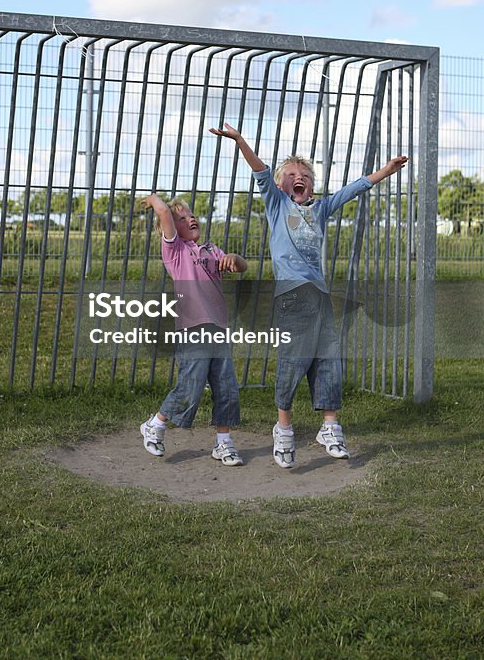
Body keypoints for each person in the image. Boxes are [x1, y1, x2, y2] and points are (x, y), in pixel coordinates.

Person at [209, 123, 407, 469]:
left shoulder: (321, 209)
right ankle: (283, 429)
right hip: (292, 298)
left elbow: (354, 189)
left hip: (319, 298)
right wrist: (241, 140)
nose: (298, 177)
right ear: (281, 184)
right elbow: (260, 170)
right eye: (291, 174)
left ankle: (330, 428)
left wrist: (386, 172)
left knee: (328, 360)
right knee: (294, 361)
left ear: (312, 185)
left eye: (305, 175)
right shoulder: (276, 205)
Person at [137, 194, 248, 466]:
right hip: (192, 329)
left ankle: (224, 444)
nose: (191, 219)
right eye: (182, 218)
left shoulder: (211, 250)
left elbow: (242, 266)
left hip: (218, 329)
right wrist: (154, 200)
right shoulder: (175, 252)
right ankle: (156, 425)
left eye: (191, 215)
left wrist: (234, 258)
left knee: (227, 388)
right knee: (190, 386)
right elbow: (163, 213)